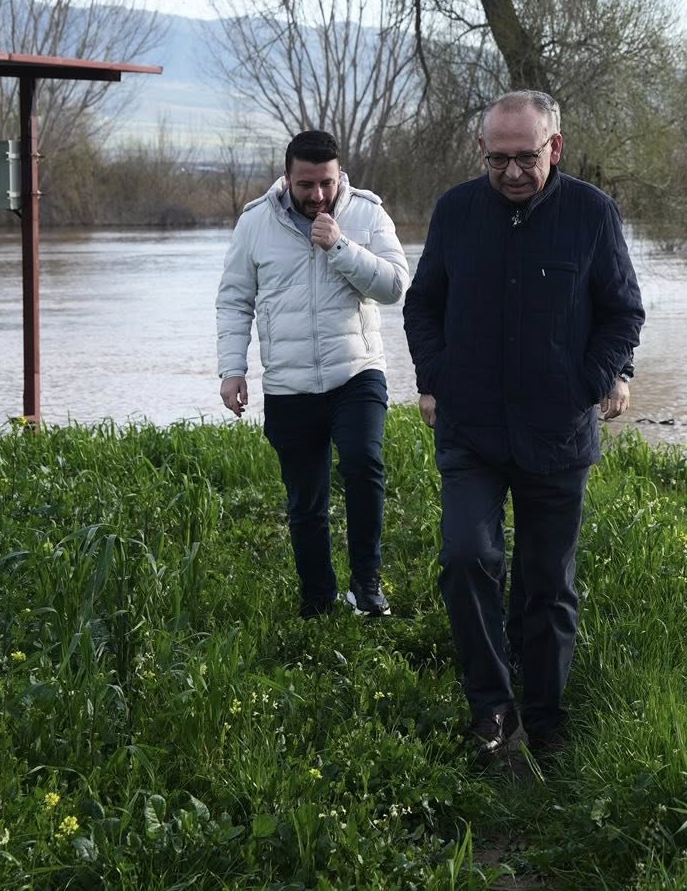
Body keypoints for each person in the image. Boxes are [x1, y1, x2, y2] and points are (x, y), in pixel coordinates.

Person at [403, 91, 643, 764]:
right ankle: (492, 708)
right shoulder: (455, 212)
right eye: (497, 158)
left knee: (546, 583)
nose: (510, 171)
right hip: (470, 427)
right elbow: (423, 305)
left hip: (557, 434)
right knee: (464, 558)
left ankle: (547, 715)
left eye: (524, 158)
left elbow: (622, 312)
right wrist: (434, 379)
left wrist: (597, 378)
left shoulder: (592, 214)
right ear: (483, 153)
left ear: (554, 149)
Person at [217, 129, 411, 619]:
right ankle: (319, 600)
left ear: (339, 174)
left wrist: (341, 247)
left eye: (326, 182)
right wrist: (231, 369)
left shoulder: (366, 213)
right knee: (306, 500)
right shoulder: (255, 223)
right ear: (287, 178)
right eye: (307, 184)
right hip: (288, 384)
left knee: (364, 465)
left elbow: (394, 286)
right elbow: (234, 299)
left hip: (357, 373)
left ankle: (367, 584)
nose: (318, 195)